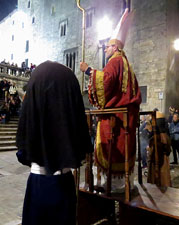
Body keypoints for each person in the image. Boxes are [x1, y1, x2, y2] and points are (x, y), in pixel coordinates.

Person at [16, 61, 92, 225]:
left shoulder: (38, 78)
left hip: (38, 182)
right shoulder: (69, 80)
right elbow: (81, 138)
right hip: (64, 183)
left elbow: (22, 151)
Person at [79, 9, 141, 180]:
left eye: (107, 47)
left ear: (115, 47)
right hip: (126, 116)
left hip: (115, 117)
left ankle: (111, 188)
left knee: (112, 150)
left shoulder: (115, 62)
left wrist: (88, 70)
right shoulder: (126, 63)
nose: (105, 49)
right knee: (124, 150)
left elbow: (106, 81)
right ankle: (123, 185)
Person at [147, 111, 171, 187]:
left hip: (159, 162)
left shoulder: (158, 137)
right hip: (162, 160)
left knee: (161, 180)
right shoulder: (164, 136)